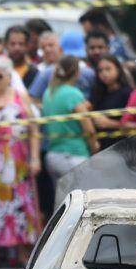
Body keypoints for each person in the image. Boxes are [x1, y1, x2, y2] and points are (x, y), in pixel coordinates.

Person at [0, 56, 39, 269]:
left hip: (18, 161)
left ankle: (22, 252)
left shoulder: (21, 97)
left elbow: (33, 129)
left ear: (9, 76)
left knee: (19, 205)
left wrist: (34, 157)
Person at [41, 56, 97, 185]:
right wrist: (95, 148)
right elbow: (89, 129)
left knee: (62, 202)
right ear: (77, 73)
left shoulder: (48, 93)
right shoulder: (73, 93)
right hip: (74, 155)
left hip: (53, 155)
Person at [89, 54, 135, 148]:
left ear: (118, 69)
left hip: (122, 146)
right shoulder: (97, 92)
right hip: (102, 147)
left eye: (108, 69)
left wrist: (109, 123)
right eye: (100, 70)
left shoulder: (127, 93)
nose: (104, 74)